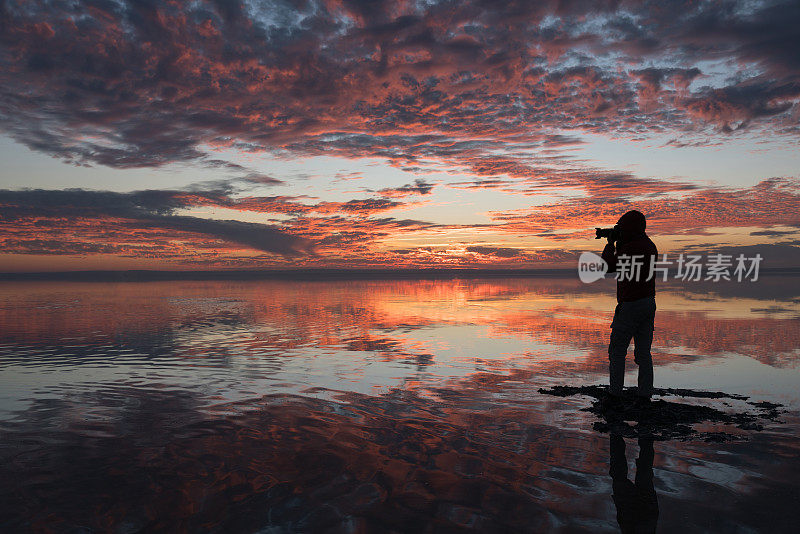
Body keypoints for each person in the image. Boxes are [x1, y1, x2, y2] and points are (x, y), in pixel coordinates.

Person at [601, 210, 657, 403]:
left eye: (622, 227)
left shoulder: (632, 248)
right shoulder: (649, 245)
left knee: (617, 350)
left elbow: (608, 266)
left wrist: (609, 244)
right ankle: (645, 393)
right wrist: (620, 242)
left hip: (631, 304)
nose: (619, 231)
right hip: (648, 303)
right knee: (643, 352)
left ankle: (615, 392)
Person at [609, 433, 659, 533]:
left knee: (640, 475)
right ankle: (644, 434)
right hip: (644, 516)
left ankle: (617, 433)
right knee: (642, 475)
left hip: (642, 516)